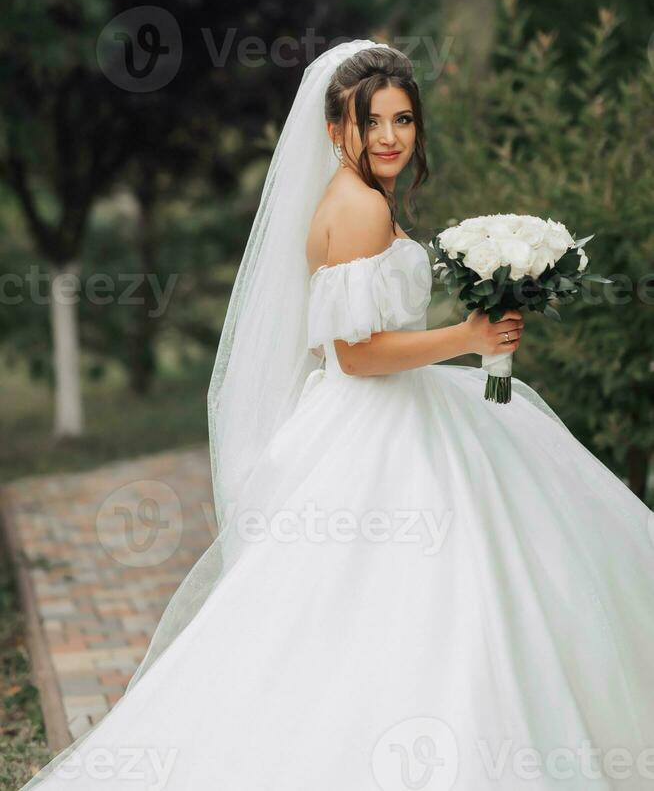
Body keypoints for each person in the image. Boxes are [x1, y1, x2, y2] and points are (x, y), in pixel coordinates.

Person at [18, 40, 654, 791]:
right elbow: (354, 354)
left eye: (404, 120)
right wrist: (470, 338)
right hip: (376, 421)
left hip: (381, 413)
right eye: (371, 121)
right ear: (334, 130)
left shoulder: (361, 198)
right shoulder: (354, 208)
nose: (390, 137)